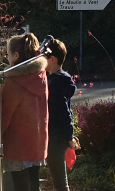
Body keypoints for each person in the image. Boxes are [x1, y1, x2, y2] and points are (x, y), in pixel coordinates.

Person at [1, 33, 49, 191]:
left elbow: (4, 116)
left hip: (18, 145)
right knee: (34, 184)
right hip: (37, 140)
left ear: (15, 55)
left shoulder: (13, 82)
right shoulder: (41, 76)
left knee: (20, 186)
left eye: (8, 54)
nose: (7, 58)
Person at [45, 39, 78, 191]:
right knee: (58, 178)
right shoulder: (59, 79)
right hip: (57, 136)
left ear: (53, 59)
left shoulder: (55, 83)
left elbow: (63, 111)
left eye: (44, 57)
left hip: (56, 137)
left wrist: (69, 136)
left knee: (59, 181)